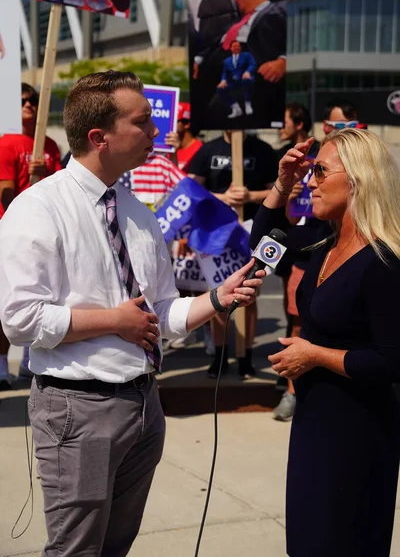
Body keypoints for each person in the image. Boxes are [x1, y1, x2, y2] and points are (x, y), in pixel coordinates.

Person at [0, 70, 264, 557]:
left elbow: (160, 311)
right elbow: (19, 320)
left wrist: (218, 299)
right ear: (100, 137)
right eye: (142, 123)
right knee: (76, 549)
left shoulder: (137, 211)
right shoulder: (36, 208)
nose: (156, 133)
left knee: (116, 546)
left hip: (144, 406)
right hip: (76, 410)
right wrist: (113, 321)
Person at [250, 129, 400, 557]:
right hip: (315, 423)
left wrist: (313, 354)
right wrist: (282, 183)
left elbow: (392, 361)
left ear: (357, 179)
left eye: (319, 171)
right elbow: (263, 245)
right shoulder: (322, 241)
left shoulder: (384, 260)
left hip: (359, 432)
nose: (310, 182)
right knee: (307, 541)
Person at [188, 130, 278, 378]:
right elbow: (191, 191)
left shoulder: (263, 151)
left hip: (252, 231)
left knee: (250, 294)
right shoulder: (208, 150)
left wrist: (251, 196)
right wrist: (222, 198)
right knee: (217, 294)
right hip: (217, 234)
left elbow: (278, 191)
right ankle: (219, 356)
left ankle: (246, 357)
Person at [0, 82, 62, 389]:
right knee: (10, 298)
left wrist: (45, 174)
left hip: (45, 231)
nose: (29, 104)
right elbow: (5, 192)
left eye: (34, 100)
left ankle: (29, 360)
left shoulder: (50, 145)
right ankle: (1, 363)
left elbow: (59, 188)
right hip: (13, 231)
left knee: (44, 295)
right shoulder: (7, 143)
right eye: (23, 100)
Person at [273, 103, 319, 421]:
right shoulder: (290, 161)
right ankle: (292, 391)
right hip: (301, 261)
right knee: (298, 326)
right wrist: (290, 195)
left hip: (327, 256)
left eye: (341, 124)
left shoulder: (330, 157)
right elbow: (291, 219)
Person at [191, 0, 286, 129]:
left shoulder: (278, 9)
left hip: (241, 67)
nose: (235, 0)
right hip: (211, 67)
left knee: (217, 111)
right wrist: (198, 59)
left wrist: (283, 60)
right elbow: (216, 44)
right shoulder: (235, 22)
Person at [216, 40, 256, 119]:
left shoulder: (247, 55)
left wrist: (248, 71)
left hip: (245, 77)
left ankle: (247, 103)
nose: (236, 48)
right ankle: (236, 109)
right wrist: (223, 80)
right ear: (230, 48)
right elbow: (224, 72)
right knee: (220, 88)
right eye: (234, 46)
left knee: (247, 80)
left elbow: (252, 64)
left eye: (238, 46)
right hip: (233, 81)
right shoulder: (226, 60)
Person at [175, 102, 203, 173]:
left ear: (187, 124)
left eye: (174, 120)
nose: (169, 123)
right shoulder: (167, 148)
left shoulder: (200, 150)